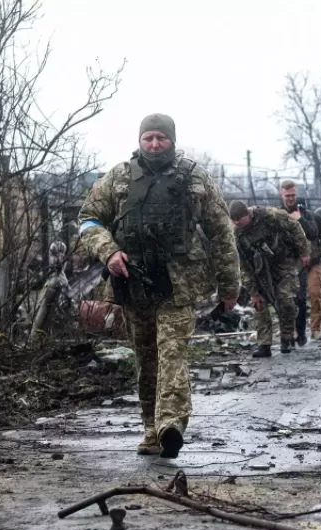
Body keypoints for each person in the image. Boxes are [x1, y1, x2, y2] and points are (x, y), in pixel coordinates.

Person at [78, 113, 240, 458]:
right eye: (148, 138)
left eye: (161, 138)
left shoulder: (195, 178)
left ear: (172, 140)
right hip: (133, 283)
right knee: (146, 359)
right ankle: (151, 429)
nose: (154, 144)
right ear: (140, 140)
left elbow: (221, 233)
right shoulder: (119, 177)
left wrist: (230, 286)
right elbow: (88, 219)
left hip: (179, 284)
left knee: (172, 351)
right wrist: (109, 252)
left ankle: (171, 424)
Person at [230, 201, 309, 357]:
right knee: (260, 305)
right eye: (234, 221)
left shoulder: (270, 215)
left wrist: (304, 251)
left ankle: (287, 337)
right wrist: (253, 292)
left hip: (284, 263)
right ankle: (264, 344)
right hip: (259, 270)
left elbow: (295, 226)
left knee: (286, 301)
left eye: (239, 219)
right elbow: (242, 266)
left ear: (247, 214)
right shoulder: (237, 235)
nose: (237, 223)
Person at [280, 182, 321, 343]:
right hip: (291, 265)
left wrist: (318, 256)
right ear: (282, 195)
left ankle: (315, 329)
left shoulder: (310, 216)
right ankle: (298, 331)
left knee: (315, 295)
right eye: (287, 196)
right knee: (297, 299)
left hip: (312, 263)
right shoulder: (278, 216)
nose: (290, 198)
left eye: (293, 195)